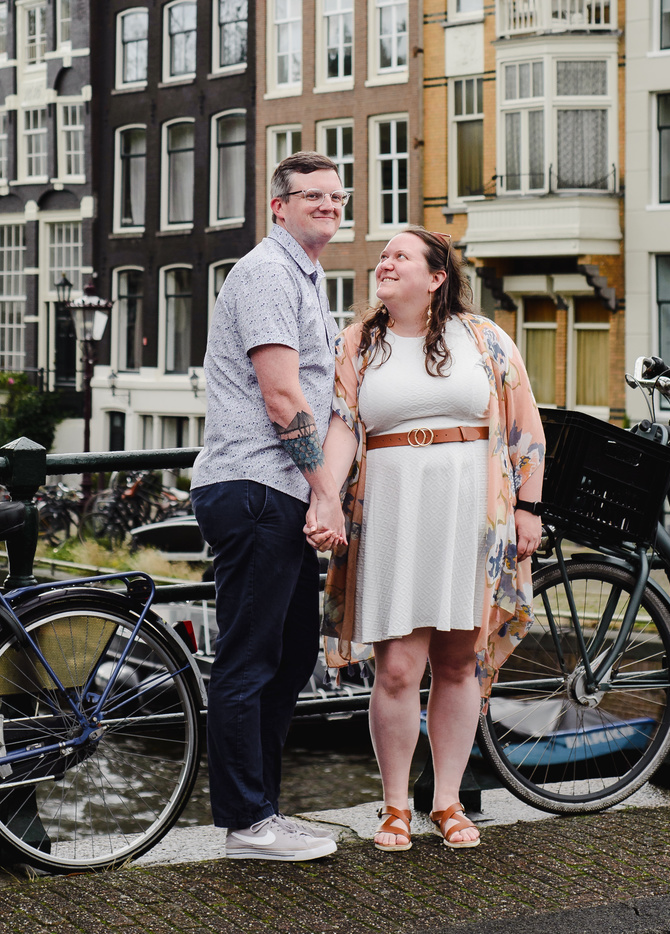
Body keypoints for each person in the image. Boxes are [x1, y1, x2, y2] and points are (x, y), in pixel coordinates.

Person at [310, 227, 544, 853]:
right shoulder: (359, 343)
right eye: (383, 256)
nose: (384, 263)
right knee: (397, 666)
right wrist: (326, 496)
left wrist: (529, 508)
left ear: (436, 278)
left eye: (399, 256)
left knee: (457, 659)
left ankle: (446, 801)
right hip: (392, 507)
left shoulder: (485, 338)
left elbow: (526, 426)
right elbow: (340, 428)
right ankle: (393, 806)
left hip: (473, 507)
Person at [190, 151, 350, 862]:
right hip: (258, 486)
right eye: (311, 194)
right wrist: (327, 493)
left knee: (288, 661)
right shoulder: (265, 273)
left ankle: (265, 813)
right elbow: (283, 395)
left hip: (277, 491)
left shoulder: (305, 278)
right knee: (250, 661)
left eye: (336, 195)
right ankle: (247, 823)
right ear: (278, 206)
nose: (327, 204)